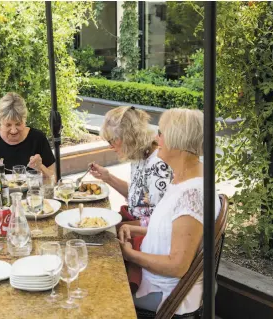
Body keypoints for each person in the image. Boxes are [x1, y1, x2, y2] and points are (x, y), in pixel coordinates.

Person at [118, 108, 220, 315]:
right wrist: (134, 230)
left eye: (161, 133)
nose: (157, 138)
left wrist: (131, 254)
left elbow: (177, 266)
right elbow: (172, 233)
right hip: (154, 277)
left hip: (166, 292)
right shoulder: (183, 180)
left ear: (177, 139)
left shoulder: (193, 194)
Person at [91, 106, 172, 227]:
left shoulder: (158, 165)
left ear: (128, 138)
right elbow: (136, 197)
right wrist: (107, 178)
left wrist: (119, 227)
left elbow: (159, 222)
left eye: (111, 140)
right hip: (132, 222)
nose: (110, 146)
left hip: (145, 236)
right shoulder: (139, 155)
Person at [0, 92, 56, 183]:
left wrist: (41, 167)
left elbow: (54, 179)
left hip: (30, 195)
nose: (13, 130)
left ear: (25, 119)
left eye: (18, 124)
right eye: (8, 125)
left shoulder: (38, 138)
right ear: (0, 121)